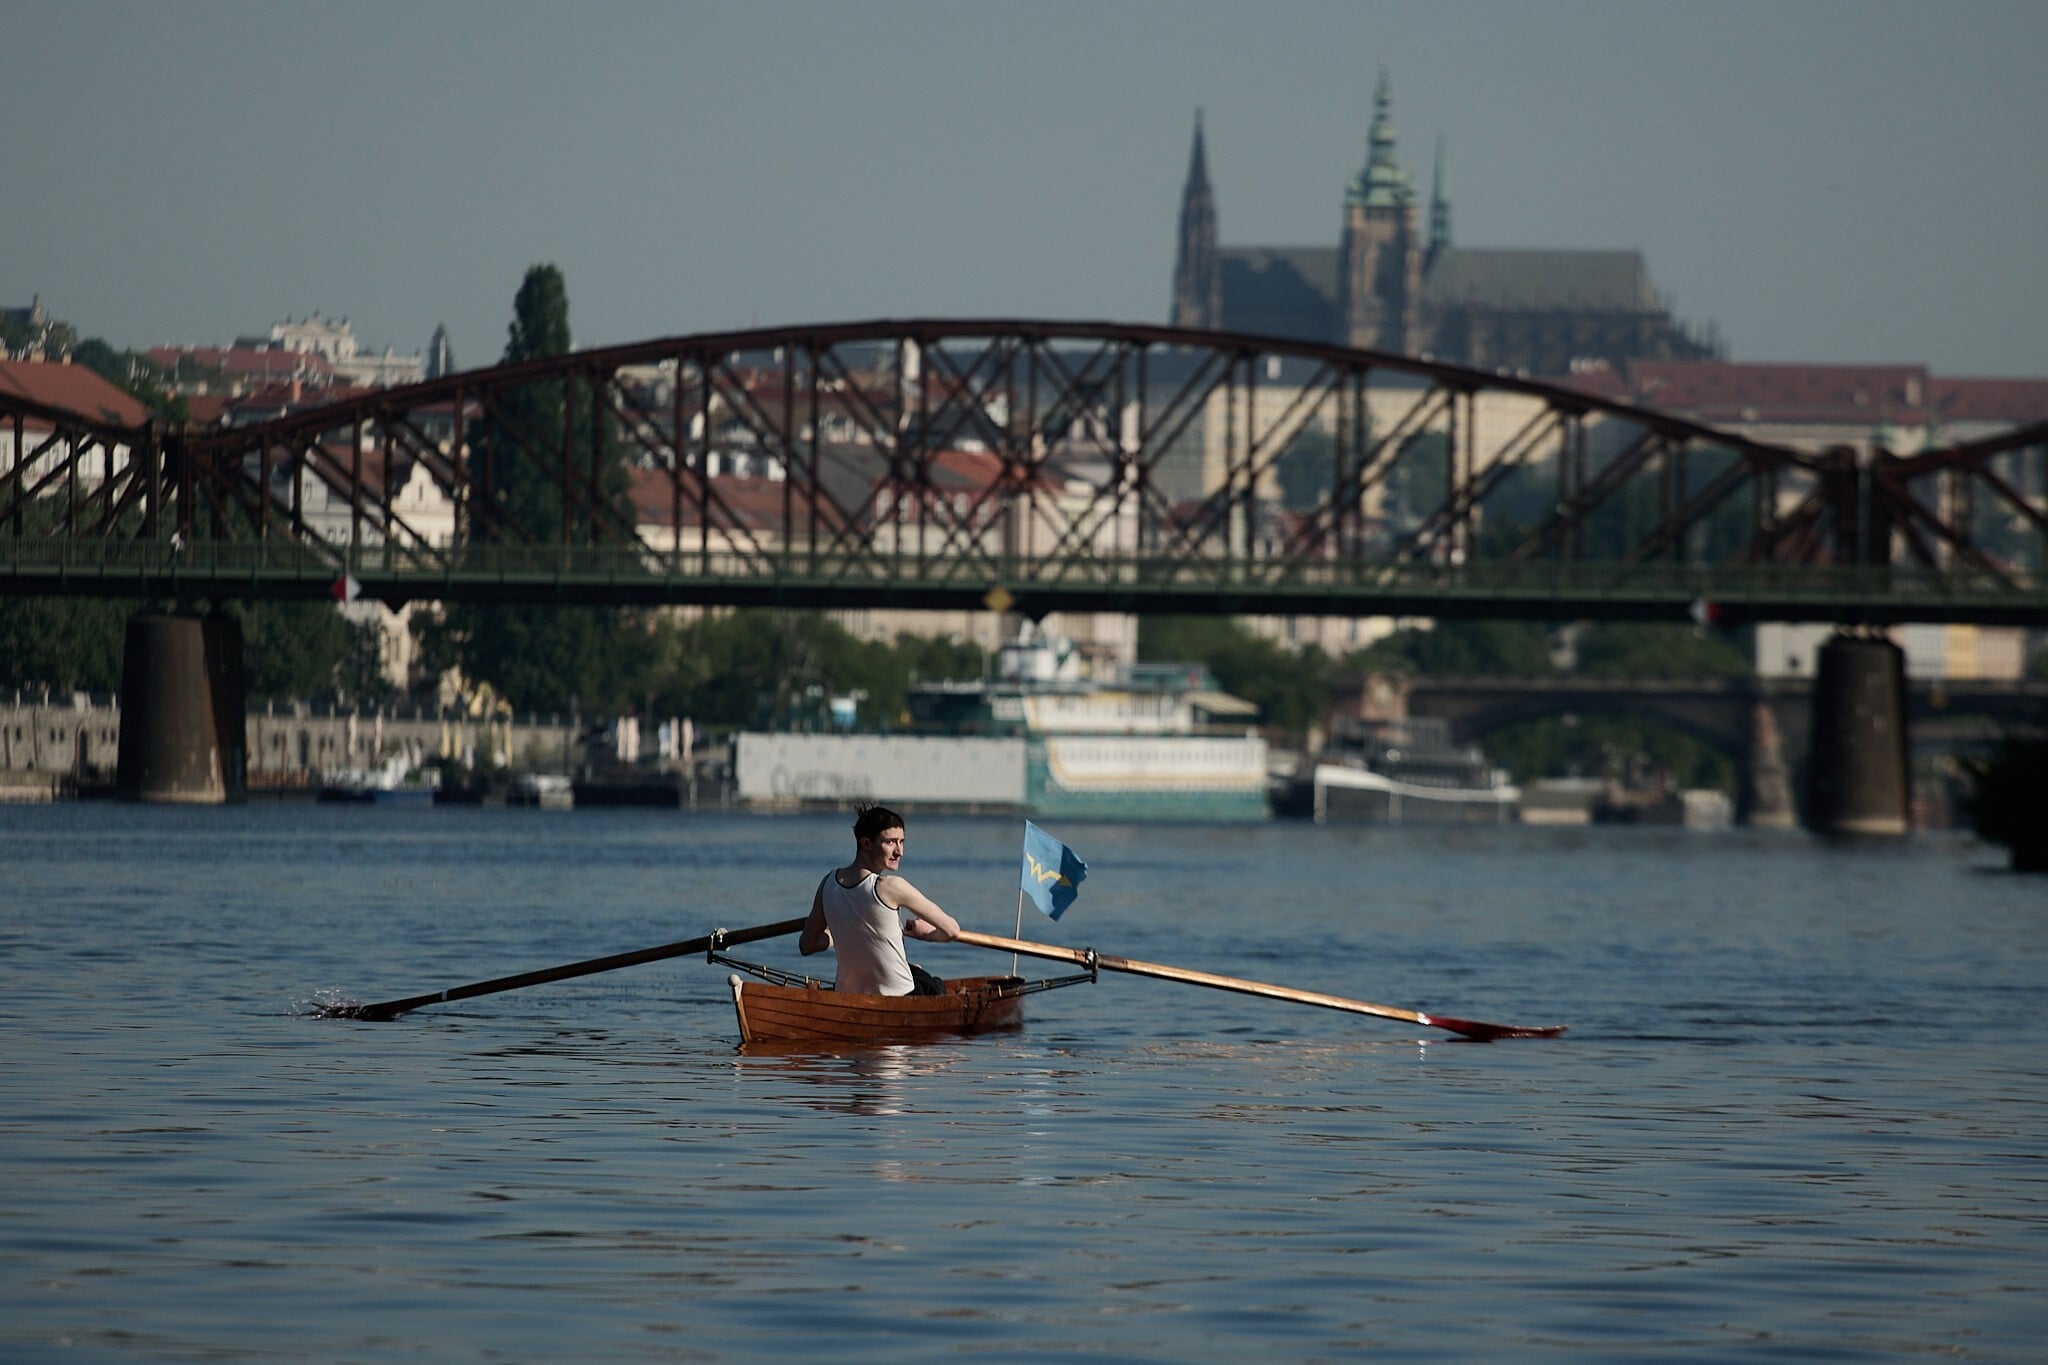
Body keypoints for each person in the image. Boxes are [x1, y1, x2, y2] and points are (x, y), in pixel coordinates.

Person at [800, 804, 960, 996]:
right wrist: (927, 934)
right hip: (899, 998)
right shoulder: (892, 887)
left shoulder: (828, 883)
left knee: (915, 970)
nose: (899, 852)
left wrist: (842, 932)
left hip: (848, 995)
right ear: (866, 843)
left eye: (901, 842)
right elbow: (952, 930)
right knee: (934, 984)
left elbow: (807, 945)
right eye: (890, 842)